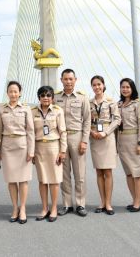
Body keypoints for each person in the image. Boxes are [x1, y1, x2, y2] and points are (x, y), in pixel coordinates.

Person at [54, 69, 91, 217]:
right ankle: (67, 204)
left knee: (79, 173)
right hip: (60, 139)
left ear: (75, 80)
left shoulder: (82, 98)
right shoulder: (55, 98)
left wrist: (84, 141)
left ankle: (80, 204)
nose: (68, 82)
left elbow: (87, 120)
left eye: (71, 79)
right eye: (65, 79)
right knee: (64, 173)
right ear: (61, 80)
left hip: (77, 137)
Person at [0, 81, 34, 224]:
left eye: (15, 91)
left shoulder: (26, 109)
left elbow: (30, 131)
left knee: (23, 179)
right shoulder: (1, 110)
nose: (13, 94)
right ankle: (14, 208)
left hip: (22, 147)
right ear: (7, 93)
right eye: (10, 91)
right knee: (11, 180)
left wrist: (31, 150)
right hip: (7, 147)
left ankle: (23, 208)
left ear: (20, 93)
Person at [32, 85, 66, 222]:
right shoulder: (32, 112)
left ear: (52, 98)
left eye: (48, 95)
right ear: (39, 97)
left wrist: (62, 151)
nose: (45, 98)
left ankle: (54, 208)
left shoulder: (58, 111)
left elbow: (63, 131)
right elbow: (30, 132)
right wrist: (32, 151)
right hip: (39, 147)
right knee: (42, 180)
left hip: (53, 147)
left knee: (54, 180)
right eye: (42, 95)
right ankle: (44, 208)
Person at [89, 75, 120, 215]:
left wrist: (105, 133)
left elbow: (117, 120)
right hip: (95, 137)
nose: (97, 87)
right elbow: (85, 120)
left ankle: (108, 203)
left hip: (107, 138)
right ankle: (102, 202)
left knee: (107, 171)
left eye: (99, 84)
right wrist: (91, 132)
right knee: (99, 172)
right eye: (94, 85)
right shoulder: (89, 103)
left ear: (103, 85)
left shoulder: (111, 101)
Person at [117, 78, 140, 212]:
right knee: (129, 173)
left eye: (128, 87)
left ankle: (138, 202)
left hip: (135, 140)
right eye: (123, 87)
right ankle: (135, 200)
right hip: (122, 141)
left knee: (138, 173)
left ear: (132, 88)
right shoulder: (118, 104)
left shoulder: (137, 104)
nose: (125, 89)